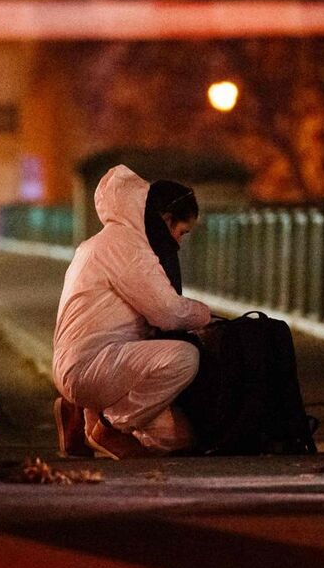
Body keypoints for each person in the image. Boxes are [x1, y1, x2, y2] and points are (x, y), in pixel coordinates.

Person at [52, 165, 211, 459]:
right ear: (166, 219)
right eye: (181, 232)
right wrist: (205, 316)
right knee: (184, 359)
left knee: (180, 437)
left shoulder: (99, 242)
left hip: (86, 363)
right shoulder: (129, 247)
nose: (178, 242)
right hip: (93, 366)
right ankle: (108, 426)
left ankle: (82, 417)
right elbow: (167, 312)